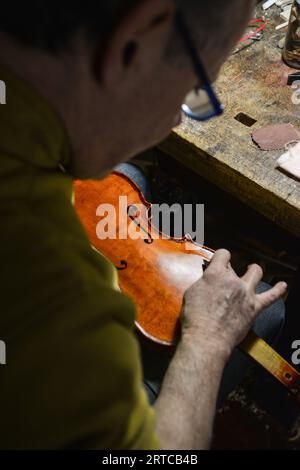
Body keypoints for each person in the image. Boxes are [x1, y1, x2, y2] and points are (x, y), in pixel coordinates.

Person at [0, 0, 287, 450]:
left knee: (126, 177)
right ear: (134, 43)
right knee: (268, 312)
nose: (175, 119)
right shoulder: (51, 283)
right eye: (192, 91)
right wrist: (207, 338)